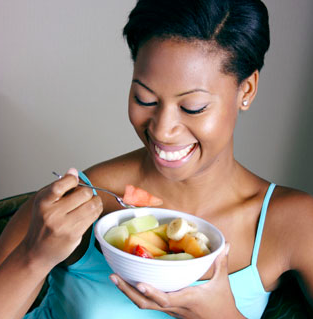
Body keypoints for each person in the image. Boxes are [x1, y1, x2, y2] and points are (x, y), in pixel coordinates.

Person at [0, 0, 312, 318]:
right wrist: (33, 256)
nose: (162, 130)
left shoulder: (292, 222)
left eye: (192, 107)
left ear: (246, 90)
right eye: (144, 98)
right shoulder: (82, 198)